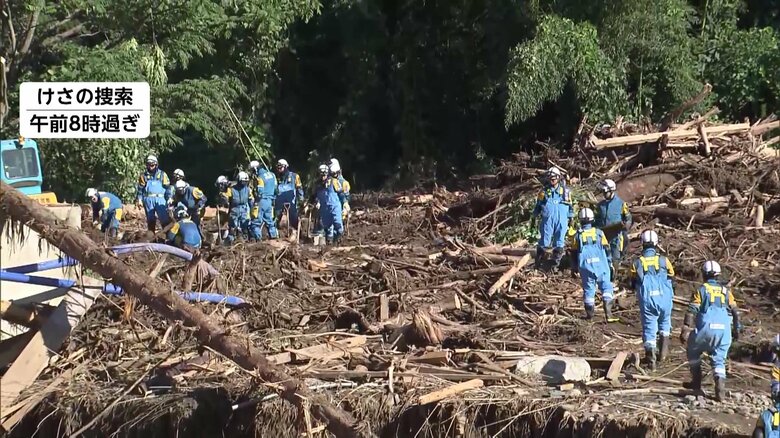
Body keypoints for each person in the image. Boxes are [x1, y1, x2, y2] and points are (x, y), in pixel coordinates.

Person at [680, 260, 743, 401]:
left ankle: (696, 383)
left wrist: (685, 328)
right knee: (719, 360)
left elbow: (692, 310)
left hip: (705, 330)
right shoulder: (726, 291)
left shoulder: (702, 290)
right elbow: (736, 312)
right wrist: (737, 329)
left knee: (693, 350)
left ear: (704, 274)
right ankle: (720, 390)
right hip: (723, 332)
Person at [630, 230, 675, 371]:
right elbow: (672, 276)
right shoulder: (664, 260)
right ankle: (663, 354)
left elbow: (632, 281)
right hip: (665, 298)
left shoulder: (637, 263)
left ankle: (652, 362)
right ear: (656, 243)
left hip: (648, 299)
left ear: (642, 244)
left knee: (649, 329)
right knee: (665, 323)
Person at [568, 208, 615, 322]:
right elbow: (607, 249)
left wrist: (574, 267)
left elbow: (574, 252)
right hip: (602, 265)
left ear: (580, 220)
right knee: (607, 288)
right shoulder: (599, 233)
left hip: (586, 266)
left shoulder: (577, 235)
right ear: (592, 219)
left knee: (589, 290)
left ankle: (590, 316)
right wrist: (610, 263)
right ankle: (608, 314)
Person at [532, 167, 574, 270]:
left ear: (559, 178)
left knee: (559, 243)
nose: (552, 180)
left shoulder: (565, 192)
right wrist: (534, 217)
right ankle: (540, 264)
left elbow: (570, 207)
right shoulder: (544, 192)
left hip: (561, 221)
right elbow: (538, 206)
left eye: (554, 178)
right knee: (544, 242)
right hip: (547, 221)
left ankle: (555, 266)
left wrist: (571, 219)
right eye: (550, 178)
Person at [594, 179, 632, 273]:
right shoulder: (600, 206)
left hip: (616, 234)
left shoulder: (621, 204)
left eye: (605, 192)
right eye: (602, 192)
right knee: (604, 254)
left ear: (611, 191)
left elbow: (628, 218)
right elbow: (596, 220)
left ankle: (614, 274)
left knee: (616, 254)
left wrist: (625, 226)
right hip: (603, 234)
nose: (603, 194)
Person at [135, 155, 172, 232]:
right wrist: (139, 199)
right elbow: (140, 189)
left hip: (160, 199)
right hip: (148, 199)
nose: (150, 167)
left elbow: (168, 188)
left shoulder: (162, 174)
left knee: (164, 218)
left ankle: (167, 235)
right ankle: (151, 235)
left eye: (152, 165)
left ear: (156, 164)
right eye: (149, 165)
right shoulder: (143, 176)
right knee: (150, 219)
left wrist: (169, 198)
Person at [309, 164, 344, 244]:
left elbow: (341, 193)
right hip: (324, 208)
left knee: (338, 225)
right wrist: (309, 204)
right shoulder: (317, 185)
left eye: (324, 174)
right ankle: (330, 244)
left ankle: (338, 240)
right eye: (321, 175)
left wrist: (345, 204)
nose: (323, 177)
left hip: (335, 206)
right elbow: (313, 196)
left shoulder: (334, 181)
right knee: (327, 228)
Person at [219, 171, 254, 244]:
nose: (244, 183)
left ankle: (245, 241)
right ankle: (230, 242)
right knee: (233, 227)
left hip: (244, 209)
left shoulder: (248, 189)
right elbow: (225, 196)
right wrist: (223, 198)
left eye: (245, 182)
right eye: (243, 182)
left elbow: (251, 199)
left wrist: (252, 209)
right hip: (234, 209)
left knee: (244, 226)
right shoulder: (232, 189)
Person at [274, 159, 304, 235]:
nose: (279, 170)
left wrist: (301, 200)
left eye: (280, 167)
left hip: (291, 202)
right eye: (278, 168)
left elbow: (299, 188)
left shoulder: (294, 176)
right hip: (279, 202)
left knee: (294, 218)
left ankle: (299, 233)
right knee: (276, 218)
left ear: (285, 166)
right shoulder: (276, 178)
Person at [252, 161, 279, 240]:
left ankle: (258, 239)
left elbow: (260, 192)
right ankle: (273, 237)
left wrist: (256, 199)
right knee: (270, 221)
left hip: (262, 201)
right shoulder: (272, 175)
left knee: (256, 223)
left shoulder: (260, 178)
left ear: (255, 169)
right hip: (270, 202)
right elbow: (276, 189)